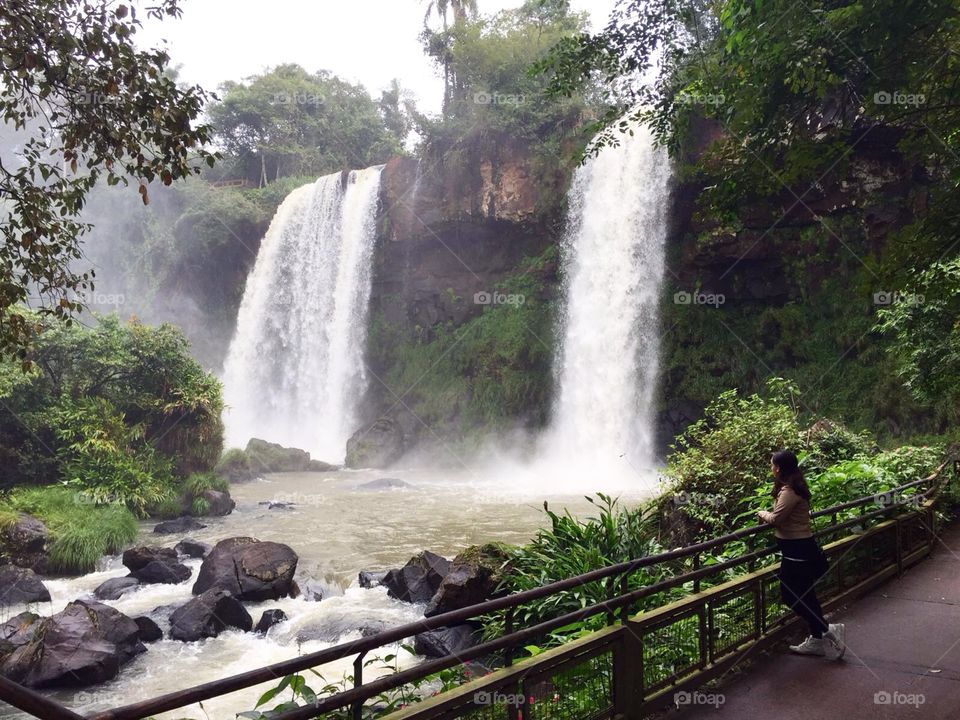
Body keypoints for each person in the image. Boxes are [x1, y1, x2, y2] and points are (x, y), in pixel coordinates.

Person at [758, 449, 846, 659]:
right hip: (801, 549)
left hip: (796, 551)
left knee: (789, 596)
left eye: (772, 465)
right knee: (807, 594)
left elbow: (776, 519)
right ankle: (817, 640)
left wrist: (760, 513)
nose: (771, 468)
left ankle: (827, 629)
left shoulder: (789, 492)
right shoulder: (793, 487)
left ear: (778, 468)